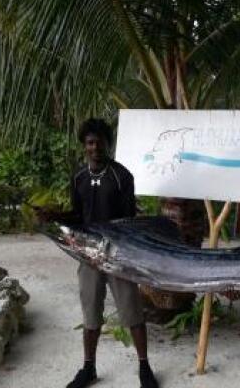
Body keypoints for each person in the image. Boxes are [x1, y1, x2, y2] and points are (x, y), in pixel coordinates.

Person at [36, 118, 158, 388]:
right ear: (84, 146)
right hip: (88, 256)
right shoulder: (78, 177)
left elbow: (128, 222)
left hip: (118, 256)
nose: (95, 147)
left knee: (132, 312)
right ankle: (88, 368)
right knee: (91, 313)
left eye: (100, 142)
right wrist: (54, 215)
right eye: (90, 143)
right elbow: (78, 215)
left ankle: (144, 367)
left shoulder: (122, 177)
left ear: (108, 144)